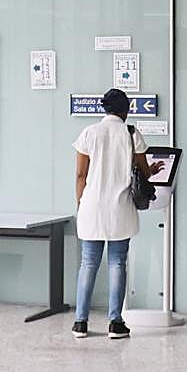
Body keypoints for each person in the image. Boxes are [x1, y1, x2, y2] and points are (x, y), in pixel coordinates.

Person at [71, 89, 162, 339]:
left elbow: (81, 175)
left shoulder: (89, 133)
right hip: (120, 208)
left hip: (91, 206)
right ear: (126, 110)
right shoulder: (131, 134)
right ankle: (115, 323)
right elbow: (142, 173)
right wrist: (151, 169)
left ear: (105, 109)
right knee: (117, 263)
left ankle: (80, 322)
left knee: (88, 263)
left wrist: (81, 204)